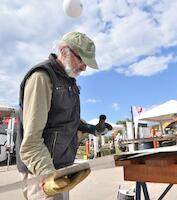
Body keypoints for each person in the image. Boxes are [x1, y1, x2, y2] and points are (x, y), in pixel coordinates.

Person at [15, 31, 110, 200]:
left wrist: (92, 129)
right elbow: (30, 144)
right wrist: (49, 176)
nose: (84, 67)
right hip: (41, 172)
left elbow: (67, 124)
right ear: (65, 51)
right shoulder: (42, 77)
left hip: (59, 170)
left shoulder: (68, 82)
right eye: (81, 60)